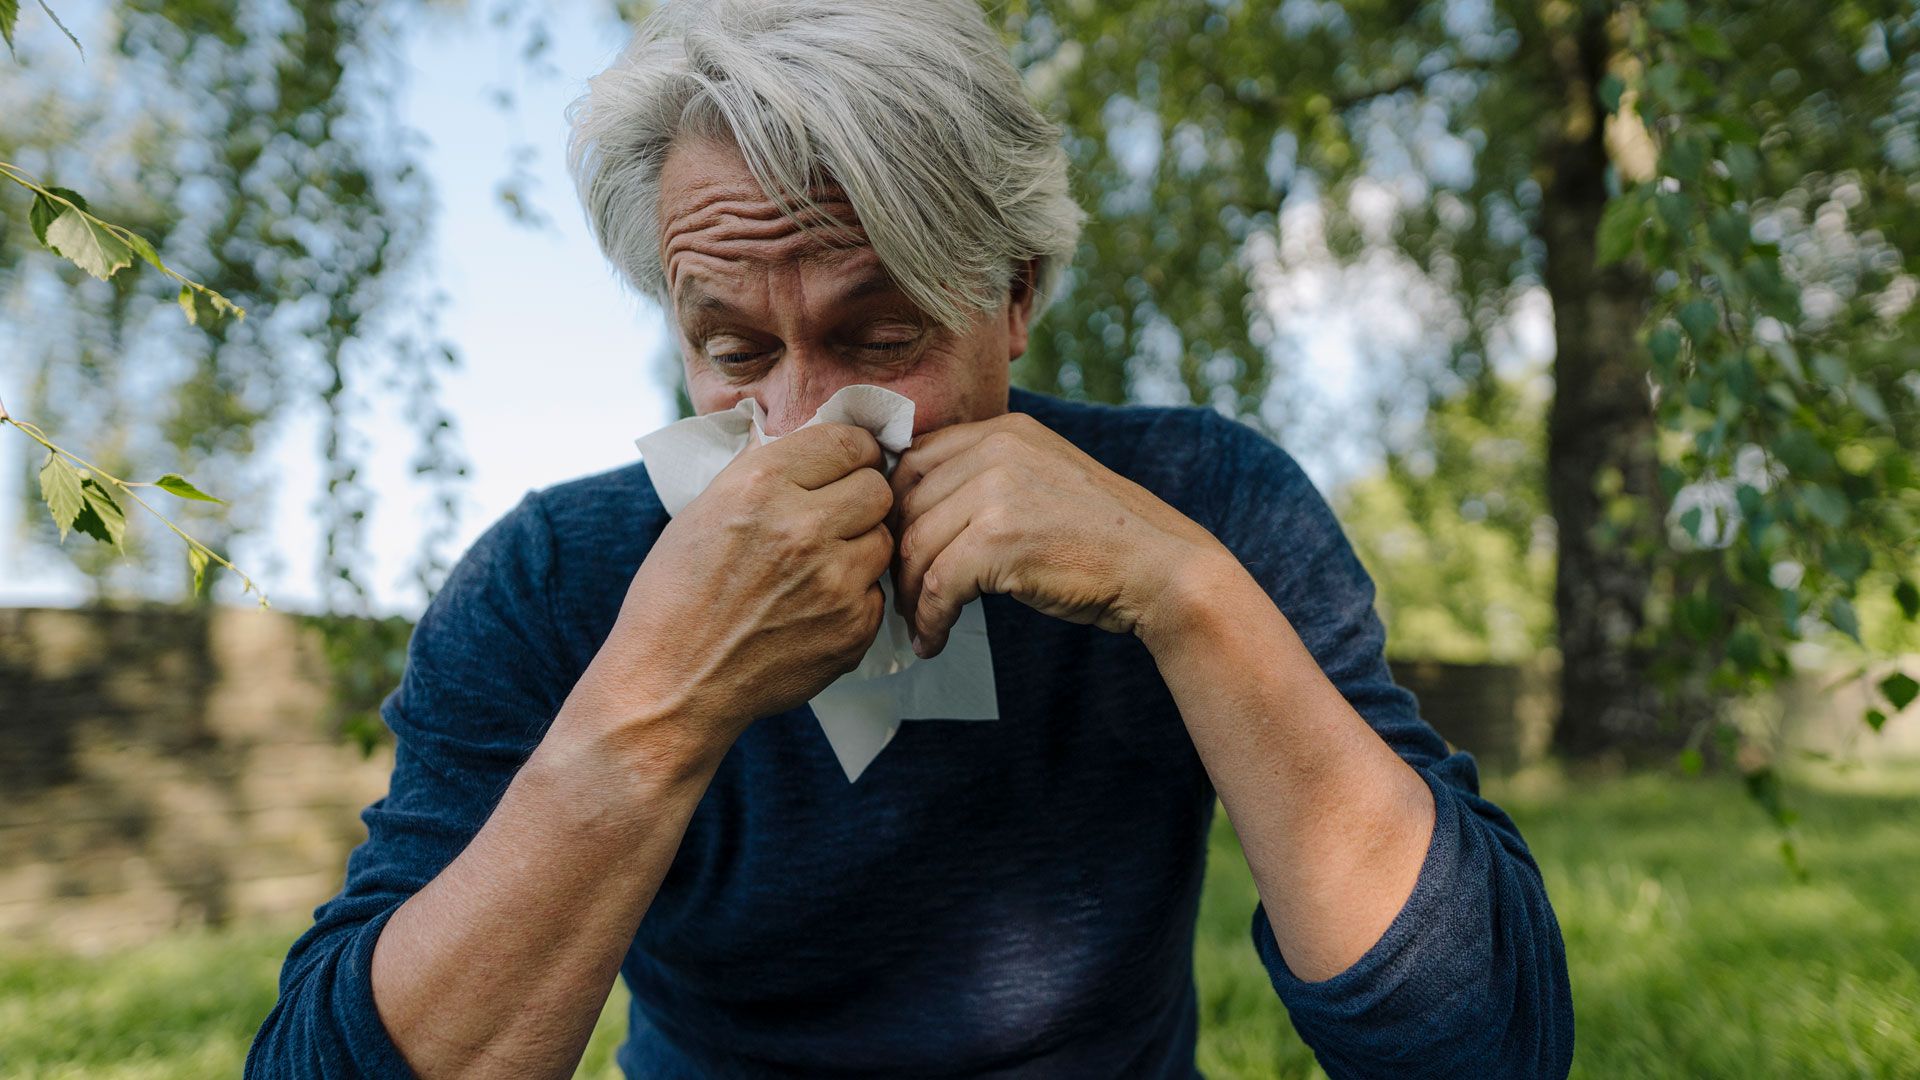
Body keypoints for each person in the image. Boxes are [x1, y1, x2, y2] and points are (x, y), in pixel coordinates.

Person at [245, 1, 1573, 1076]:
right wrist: (658, 703)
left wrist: (1185, 595)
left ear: (1015, 296)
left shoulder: (1205, 498)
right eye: (734, 351)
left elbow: (1486, 1043)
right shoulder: (553, 581)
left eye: (881, 338)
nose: (804, 425)